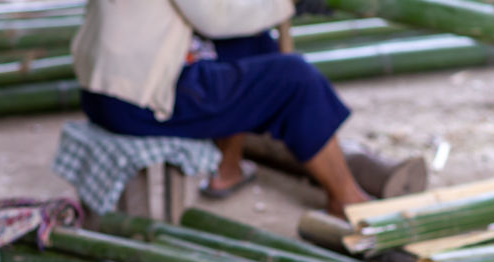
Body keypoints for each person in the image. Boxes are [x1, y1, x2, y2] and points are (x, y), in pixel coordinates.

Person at [72, 0, 369, 217]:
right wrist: (286, 4)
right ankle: (347, 201)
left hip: (101, 92)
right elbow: (217, 17)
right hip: (135, 101)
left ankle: (228, 169)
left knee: (251, 43)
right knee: (296, 79)